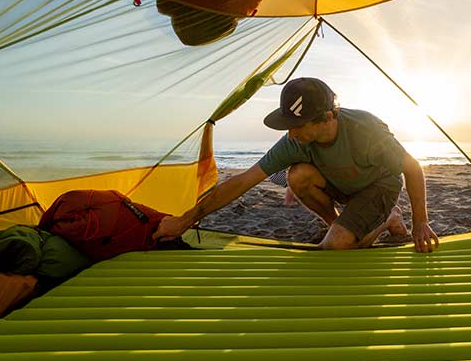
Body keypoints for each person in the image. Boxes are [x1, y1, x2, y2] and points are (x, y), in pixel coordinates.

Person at [153, 78, 439, 252]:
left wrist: (421, 223)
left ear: (327, 118)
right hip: (343, 186)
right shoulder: (294, 141)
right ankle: (336, 225)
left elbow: (411, 168)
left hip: (378, 186)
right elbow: (242, 181)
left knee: (338, 247)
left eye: (296, 125)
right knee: (298, 176)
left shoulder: (366, 129)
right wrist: (185, 220)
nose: (290, 133)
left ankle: (389, 218)